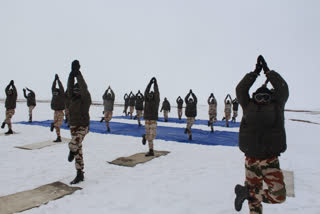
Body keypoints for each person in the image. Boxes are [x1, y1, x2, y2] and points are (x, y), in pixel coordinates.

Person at [234, 55, 288, 214]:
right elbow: (240, 90)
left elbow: (282, 89)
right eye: (258, 96)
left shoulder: (277, 106)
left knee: (279, 196)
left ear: (271, 98)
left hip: (269, 160)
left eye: (266, 97)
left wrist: (268, 72)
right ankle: (249, 195)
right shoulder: (248, 105)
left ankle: (247, 194)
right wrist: (255, 73)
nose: (262, 100)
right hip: (250, 160)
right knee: (254, 205)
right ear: (253, 97)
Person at [66, 60, 91, 185]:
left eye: (78, 90)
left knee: (73, 144)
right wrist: (72, 74)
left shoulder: (85, 99)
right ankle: (79, 174)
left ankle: (71, 150)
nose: (76, 91)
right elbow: (69, 88)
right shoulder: (71, 99)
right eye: (74, 90)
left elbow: (84, 88)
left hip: (83, 126)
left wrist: (78, 74)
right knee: (78, 152)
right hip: (73, 126)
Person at [142, 77, 160, 156]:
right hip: (147, 119)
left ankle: (145, 137)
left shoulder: (156, 101)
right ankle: (151, 150)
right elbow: (146, 91)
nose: (150, 95)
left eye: (151, 95)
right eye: (149, 95)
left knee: (153, 135)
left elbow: (157, 92)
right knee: (150, 135)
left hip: (153, 119)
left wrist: (155, 83)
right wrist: (150, 83)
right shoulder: (146, 100)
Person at [50, 74, 65, 142]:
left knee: (57, 126)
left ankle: (58, 137)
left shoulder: (55, 93)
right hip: (59, 111)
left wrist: (56, 80)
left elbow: (54, 87)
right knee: (58, 124)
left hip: (56, 111)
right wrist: (57, 80)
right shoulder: (60, 94)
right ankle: (58, 136)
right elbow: (60, 87)